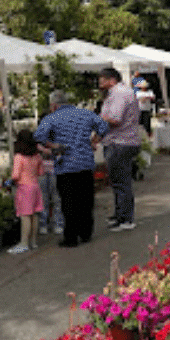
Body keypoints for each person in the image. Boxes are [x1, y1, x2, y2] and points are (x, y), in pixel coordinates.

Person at [34, 89, 108, 248]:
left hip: (65, 165)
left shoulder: (51, 118)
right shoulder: (85, 113)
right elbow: (103, 126)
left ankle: (71, 237)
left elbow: (39, 137)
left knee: (68, 202)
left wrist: (53, 146)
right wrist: (94, 141)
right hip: (85, 163)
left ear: (53, 105)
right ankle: (86, 233)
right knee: (86, 200)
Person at [97, 67, 141, 231]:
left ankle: (125, 218)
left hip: (120, 143)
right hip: (121, 141)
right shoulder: (120, 93)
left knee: (121, 182)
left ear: (111, 79)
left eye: (102, 79)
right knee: (118, 181)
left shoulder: (119, 93)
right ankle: (120, 214)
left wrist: (97, 118)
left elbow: (115, 119)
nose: (99, 82)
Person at [8, 129, 44, 254]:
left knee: (25, 216)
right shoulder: (37, 156)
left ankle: (23, 243)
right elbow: (41, 172)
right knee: (35, 215)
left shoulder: (19, 157)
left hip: (24, 188)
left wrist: (9, 181)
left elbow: (15, 175)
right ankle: (33, 242)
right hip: (35, 187)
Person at [37, 145, 64, 236]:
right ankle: (44, 224)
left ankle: (57, 224)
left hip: (55, 170)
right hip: (42, 171)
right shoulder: (39, 138)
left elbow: (62, 150)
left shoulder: (57, 137)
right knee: (44, 199)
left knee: (56, 199)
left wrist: (48, 150)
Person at [133, 72, 156, 136]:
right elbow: (136, 99)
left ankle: (149, 135)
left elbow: (153, 98)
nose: (144, 87)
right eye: (143, 86)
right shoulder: (138, 93)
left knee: (147, 124)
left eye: (145, 86)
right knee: (140, 123)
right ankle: (140, 135)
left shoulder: (149, 92)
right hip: (140, 109)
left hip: (147, 109)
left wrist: (146, 97)